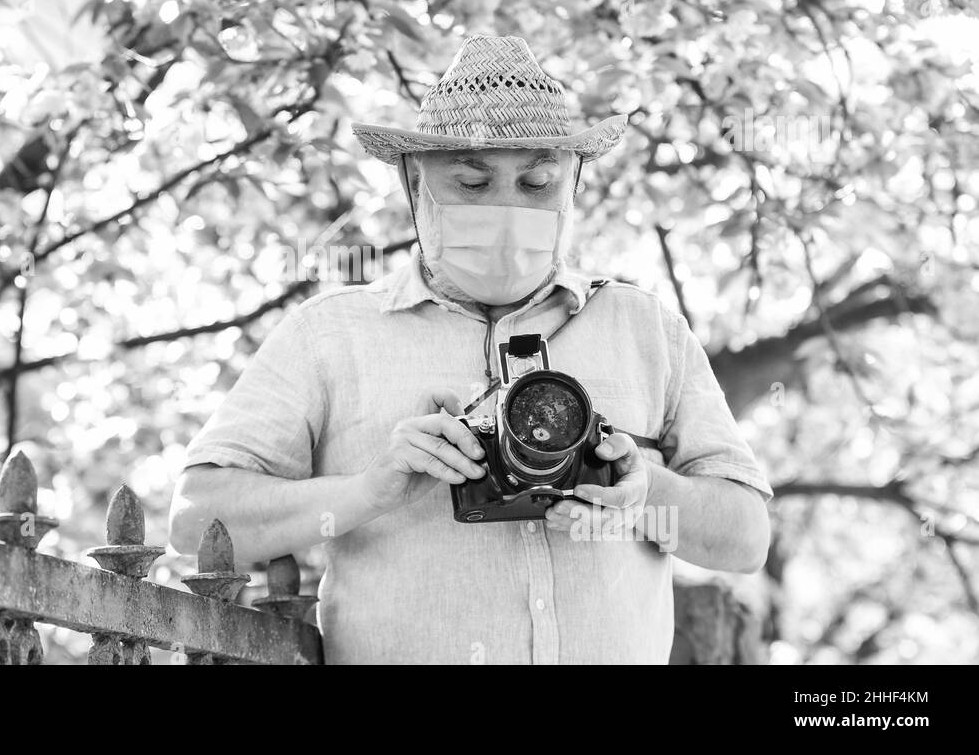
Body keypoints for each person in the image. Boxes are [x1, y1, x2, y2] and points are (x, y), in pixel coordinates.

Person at [168, 34, 772, 664]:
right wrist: (366, 492)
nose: (509, 207)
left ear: (573, 185)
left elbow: (746, 539)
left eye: (537, 182)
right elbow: (194, 521)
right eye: (472, 182)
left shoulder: (643, 327)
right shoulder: (329, 334)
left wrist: (645, 490)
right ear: (413, 181)